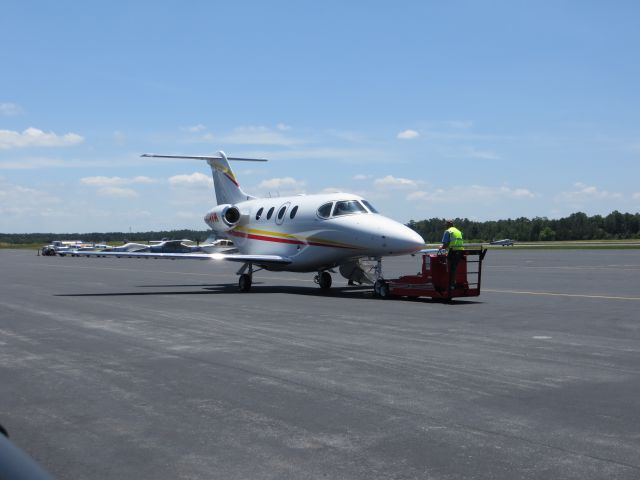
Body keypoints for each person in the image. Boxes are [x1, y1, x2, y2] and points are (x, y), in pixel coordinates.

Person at [441, 219, 464, 295]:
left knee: (449, 268)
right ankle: (453, 284)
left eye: (445, 225)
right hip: (460, 251)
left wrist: (441, 247)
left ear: (447, 225)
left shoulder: (448, 231)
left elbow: (445, 245)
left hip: (453, 251)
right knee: (454, 268)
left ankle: (450, 285)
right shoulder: (458, 231)